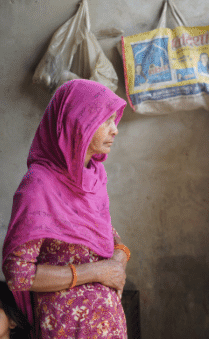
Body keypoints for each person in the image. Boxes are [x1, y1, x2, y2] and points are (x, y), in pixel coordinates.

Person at [2, 79, 131, 338]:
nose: (114, 130)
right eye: (105, 120)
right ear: (77, 123)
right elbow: (19, 275)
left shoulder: (94, 177)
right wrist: (95, 272)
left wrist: (119, 259)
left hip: (109, 324)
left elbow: (107, 233)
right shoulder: (38, 185)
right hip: (66, 327)